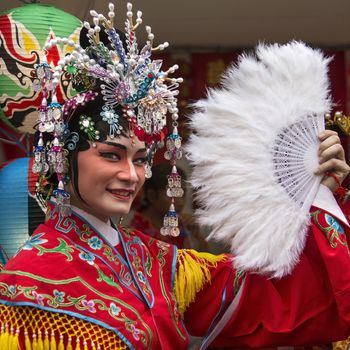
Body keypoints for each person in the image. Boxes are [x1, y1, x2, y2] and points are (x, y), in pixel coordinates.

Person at [0, 3, 350, 350]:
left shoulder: (152, 261)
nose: (131, 175)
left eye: (140, 159)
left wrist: (316, 191)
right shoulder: (28, 282)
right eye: (111, 155)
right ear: (62, 156)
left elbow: (278, 300)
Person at [130, 163, 209, 250]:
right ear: (151, 195)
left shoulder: (183, 226)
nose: (180, 202)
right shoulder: (133, 232)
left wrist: (196, 235)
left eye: (183, 194)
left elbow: (205, 261)